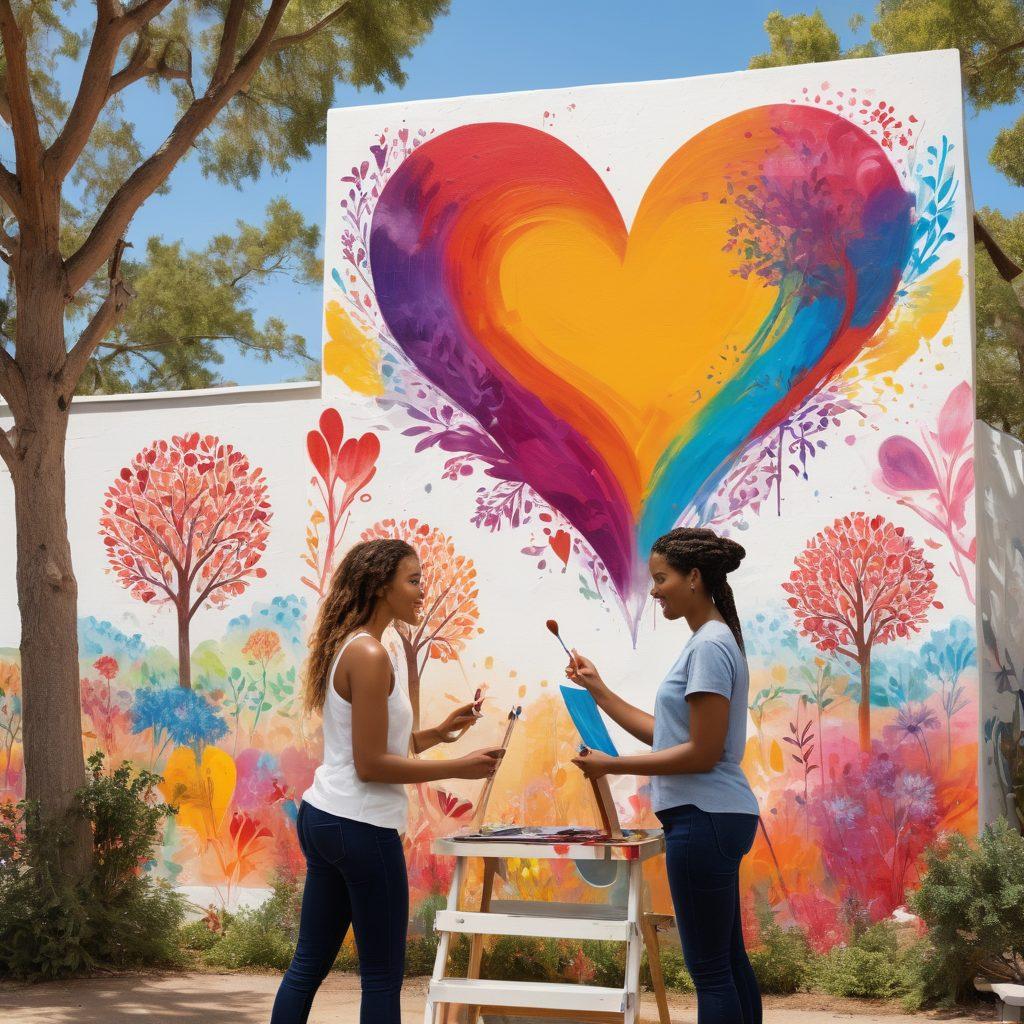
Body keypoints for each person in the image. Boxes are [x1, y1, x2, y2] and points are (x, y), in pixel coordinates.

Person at [270, 538, 504, 1024]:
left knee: (308, 964)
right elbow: (372, 765)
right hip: (361, 827)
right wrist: (457, 766)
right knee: (380, 976)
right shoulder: (372, 654)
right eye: (414, 581)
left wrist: (437, 734)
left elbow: (371, 747)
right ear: (381, 586)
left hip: (327, 819)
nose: (422, 593)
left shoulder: (359, 646)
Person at [570, 526, 762, 1024]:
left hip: (703, 818)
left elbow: (700, 753)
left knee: (711, 972)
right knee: (727, 962)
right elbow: (674, 737)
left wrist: (611, 765)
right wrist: (601, 692)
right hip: (716, 815)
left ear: (694, 577)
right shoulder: (712, 641)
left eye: (661, 578)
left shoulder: (709, 647)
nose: (653, 591)